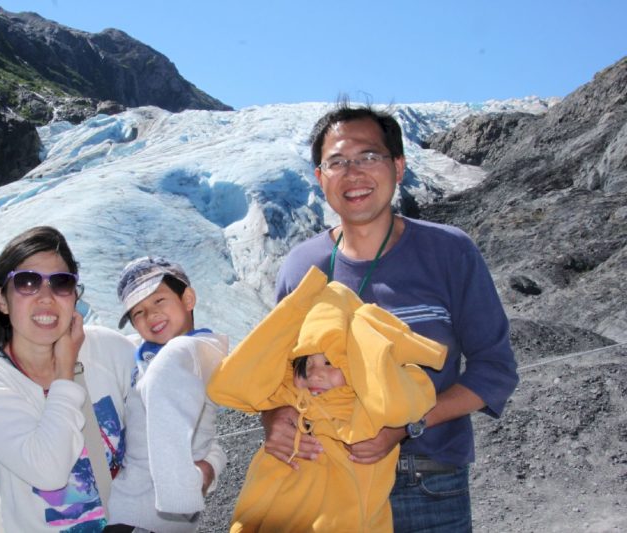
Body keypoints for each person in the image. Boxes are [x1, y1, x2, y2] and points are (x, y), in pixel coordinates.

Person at [265, 103, 520, 531]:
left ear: (398, 167)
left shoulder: (450, 253)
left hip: (427, 485)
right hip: (327, 482)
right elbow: (275, 377)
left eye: (369, 157)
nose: (354, 173)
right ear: (319, 178)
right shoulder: (300, 267)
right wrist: (276, 421)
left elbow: (494, 370)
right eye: (338, 162)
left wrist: (407, 425)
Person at [208, 266, 446, 532]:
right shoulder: (287, 392)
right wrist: (298, 305)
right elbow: (228, 384)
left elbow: (406, 398)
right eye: (305, 364)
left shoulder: (368, 405)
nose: (316, 375)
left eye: (331, 362)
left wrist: (369, 343)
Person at [0, 226, 136, 532]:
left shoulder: (109, 349)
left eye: (61, 283)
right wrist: (66, 371)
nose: (46, 297)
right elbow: (49, 471)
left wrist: (208, 463)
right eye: (27, 282)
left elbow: (172, 402)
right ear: (1, 299)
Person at [106, 256, 228, 533]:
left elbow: (167, 372)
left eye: (158, 300)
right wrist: (211, 465)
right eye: (138, 312)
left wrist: (182, 492)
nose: (150, 315)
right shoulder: (152, 351)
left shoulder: (183, 350)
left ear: (188, 299)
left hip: (143, 517)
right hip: (136, 512)